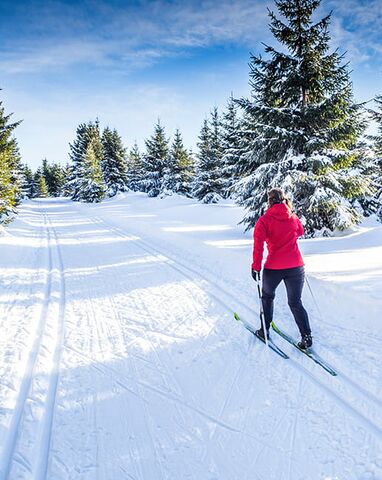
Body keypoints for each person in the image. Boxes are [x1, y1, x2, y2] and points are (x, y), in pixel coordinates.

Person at [251, 188, 312, 349]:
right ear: (283, 199)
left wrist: (255, 267)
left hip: (274, 267)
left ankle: (265, 330)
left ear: (269, 201)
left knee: (267, 297)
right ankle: (306, 336)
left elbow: (258, 246)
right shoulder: (292, 216)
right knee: (295, 302)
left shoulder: (264, 220)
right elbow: (300, 231)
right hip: (296, 266)